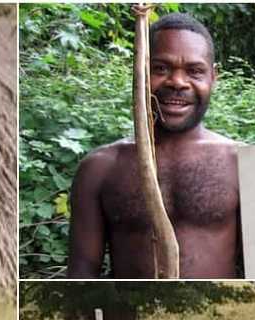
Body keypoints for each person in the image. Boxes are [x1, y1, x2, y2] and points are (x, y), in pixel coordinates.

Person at [67, 12, 240, 278]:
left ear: (213, 78)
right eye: (161, 68)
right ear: (140, 71)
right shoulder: (100, 169)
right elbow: (81, 273)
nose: (178, 82)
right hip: (137, 310)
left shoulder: (241, 163)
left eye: (194, 71)